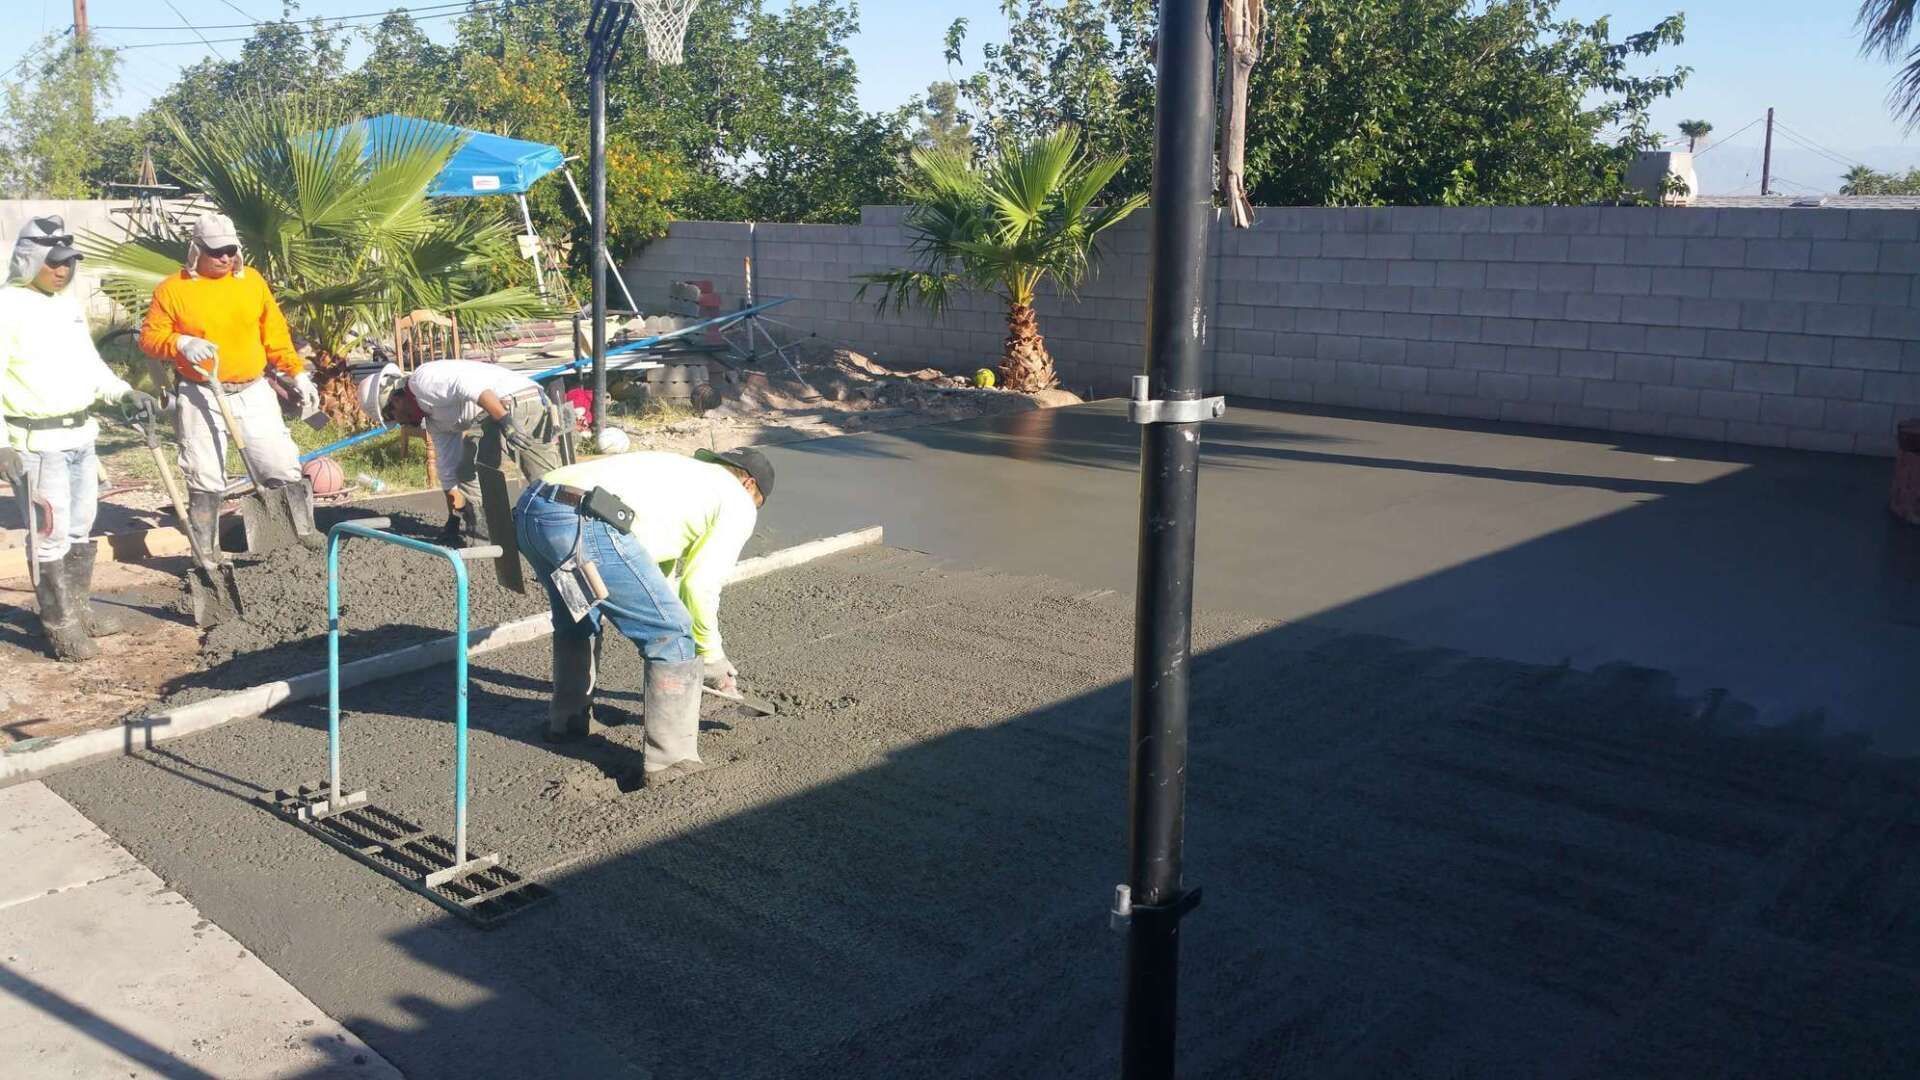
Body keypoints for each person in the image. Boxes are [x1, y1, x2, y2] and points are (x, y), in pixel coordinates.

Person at [513, 447, 773, 782]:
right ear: (750, 485)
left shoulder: (685, 476)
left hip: (533, 509)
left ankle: (568, 721)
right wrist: (712, 658)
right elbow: (698, 587)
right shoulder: (736, 500)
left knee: (579, 618)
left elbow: (650, 570)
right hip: (584, 519)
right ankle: (671, 761)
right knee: (674, 633)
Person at [0, 217, 159, 660]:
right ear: (30, 259)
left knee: (80, 526)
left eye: (68, 263)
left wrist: (124, 392)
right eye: (54, 263)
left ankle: (79, 609)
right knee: (49, 534)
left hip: (80, 437)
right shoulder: (7, 307)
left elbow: (91, 368)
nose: (63, 271)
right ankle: (58, 624)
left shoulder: (65, 307)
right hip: (36, 444)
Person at [137, 212, 324, 555]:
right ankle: (207, 554)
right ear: (196, 251)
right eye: (215, 251)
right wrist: (180, 343)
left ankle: (300, 534)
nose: (224, 257)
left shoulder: (251, 281)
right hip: (200, 392)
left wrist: (296, 372)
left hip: (253, 390)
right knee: (204, 474)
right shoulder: (173, 290)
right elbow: (150, 338)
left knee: (280, 463)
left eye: (230, 249)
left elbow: (275, 333)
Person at [357, 359, 561, 545]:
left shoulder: (423, 380)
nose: (399, 424)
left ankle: (499, 536)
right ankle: (491, 535)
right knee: (542, 483)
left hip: (515, 402)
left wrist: (505, 421)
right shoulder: (435, 422)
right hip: (505, 409)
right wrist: (453, 519)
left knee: (546, 486)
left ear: (394, 399)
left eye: (392, 417)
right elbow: (447, 469)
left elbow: (472, 387)